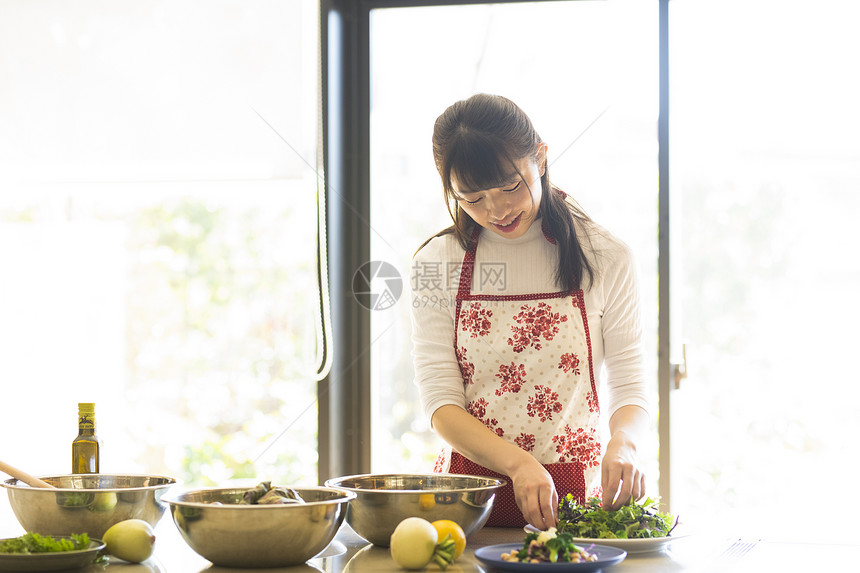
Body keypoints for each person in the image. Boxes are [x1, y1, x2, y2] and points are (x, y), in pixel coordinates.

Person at [409, 94, 651, 530]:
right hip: (470, 504)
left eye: (509, 187)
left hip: (578, 506)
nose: (497, 211)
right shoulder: (435, 264)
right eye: (473, 198)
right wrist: (518, 465)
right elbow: (441, 403)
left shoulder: (607, 257)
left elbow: (630, 382)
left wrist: (626, 442)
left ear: (539, 157)